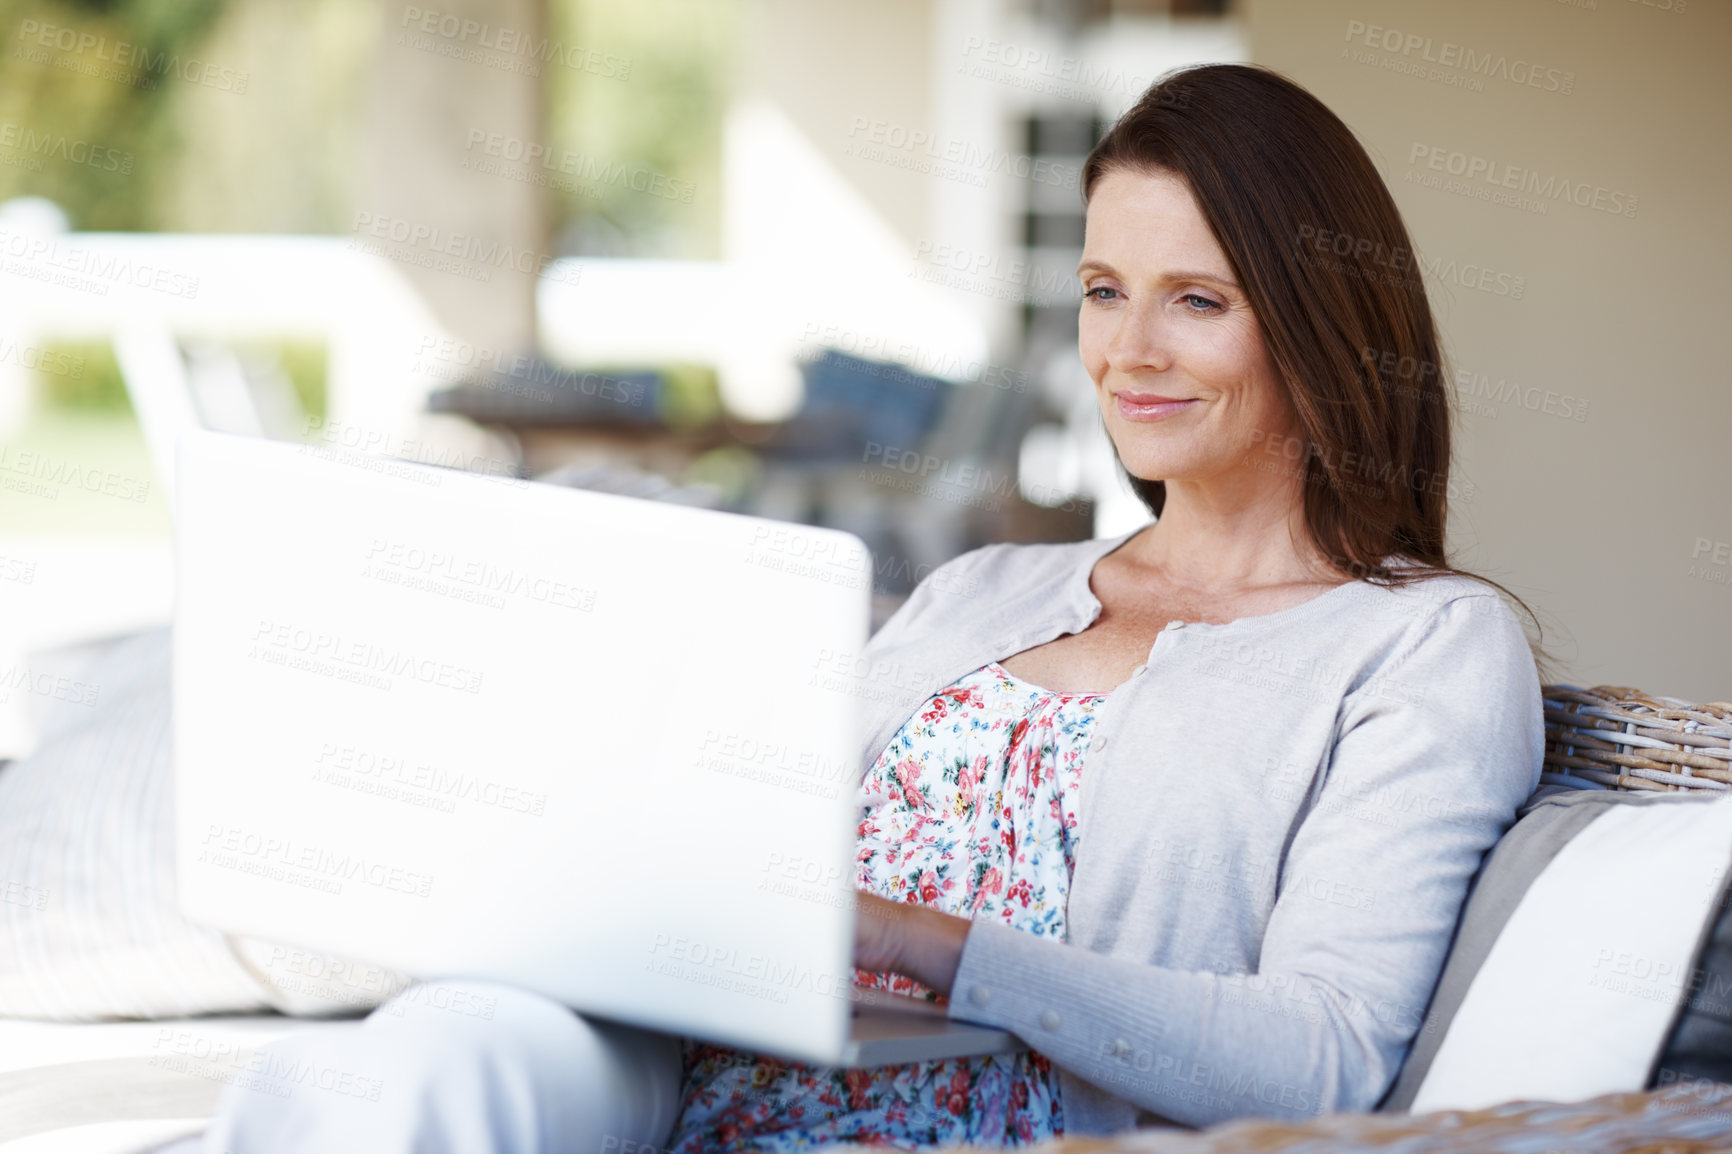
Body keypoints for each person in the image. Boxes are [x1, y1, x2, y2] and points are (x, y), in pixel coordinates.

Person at [203, 62, 1543, 1152]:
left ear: (1322, 323)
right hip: (689, 1063)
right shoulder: (989, 587)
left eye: (1196, 300)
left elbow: (1323, 1052)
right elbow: (746, 809)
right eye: (1101, 292)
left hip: (991, 1121)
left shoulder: (1419, 646)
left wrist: (933, 942)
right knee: (435, 1059)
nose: (1129, 352)